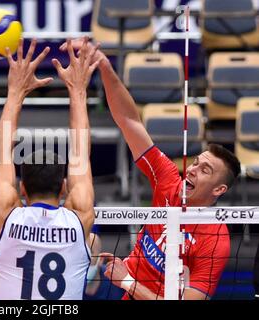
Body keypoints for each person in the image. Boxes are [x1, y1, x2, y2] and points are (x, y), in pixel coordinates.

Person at [63, 39, 240, 300]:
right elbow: (129, 120)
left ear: (219, 189)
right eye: (195, 163)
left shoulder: (215, 239)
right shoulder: (169, 181)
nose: (191, 170)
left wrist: (128, 281)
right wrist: (104, 65)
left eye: (205, 170)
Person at [0, 38, 101, 300]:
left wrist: (15, 92)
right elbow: (81, 153)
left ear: (21, 188)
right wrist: (77, 91)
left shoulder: (7, 214)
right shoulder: (79, 217)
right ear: (64, 187)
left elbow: (2, 152)